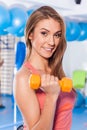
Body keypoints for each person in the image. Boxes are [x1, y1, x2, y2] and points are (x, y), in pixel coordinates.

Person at [13, 6, 76, 130]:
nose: (52, 42)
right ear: (30, 34)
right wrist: (51, 97)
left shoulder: (56, 71)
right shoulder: (24, 77)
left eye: (57, 35)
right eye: (44, 33)